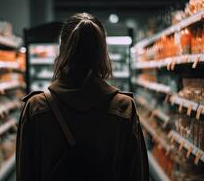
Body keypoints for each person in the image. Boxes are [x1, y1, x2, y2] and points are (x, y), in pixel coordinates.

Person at [16, 13, 149, 181]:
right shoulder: (124, 107)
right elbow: (137, 174)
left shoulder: (36, 107)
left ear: (63, 50)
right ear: (102, 53)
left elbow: (25, 174)